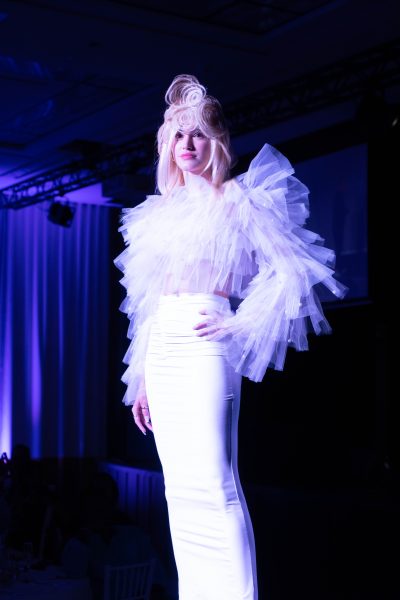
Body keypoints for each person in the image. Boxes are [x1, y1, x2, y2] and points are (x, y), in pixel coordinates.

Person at [115, 74, 347, 600]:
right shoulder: (159, 213)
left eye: (198, 133)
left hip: (205, 339)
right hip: (165, 343)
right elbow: (148, 302)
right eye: (179, 135)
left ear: (216, 141)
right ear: (167, 145)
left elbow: (294, 270)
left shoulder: (241, 199)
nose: (188, 144)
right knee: (179, 488)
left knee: (215, 481)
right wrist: (143, 376)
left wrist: (239, 322)